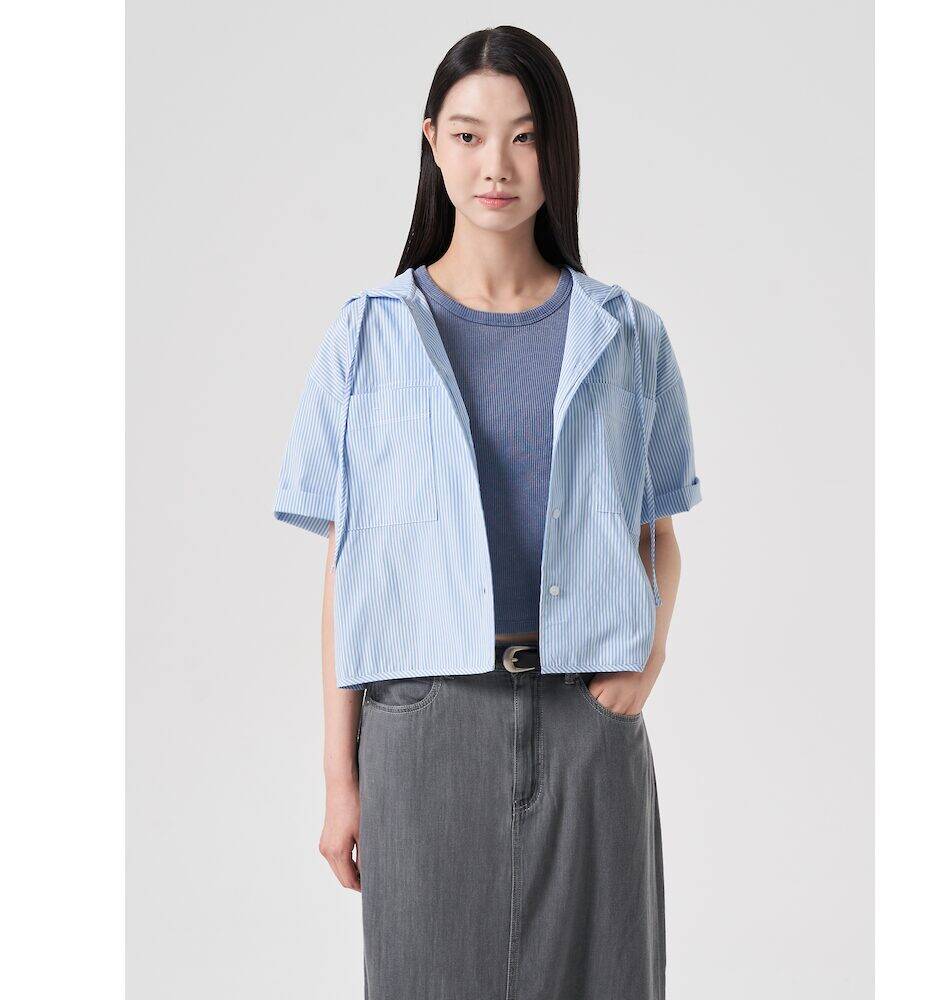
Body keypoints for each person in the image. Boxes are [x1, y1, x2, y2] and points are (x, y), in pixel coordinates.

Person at [273, 24, 702, 1000]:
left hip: (587, 717)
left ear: (559, 147)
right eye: (468, 136)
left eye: (524, 135)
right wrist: (340, 779)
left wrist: (646, 658)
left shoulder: (627, 334)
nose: (495, 165)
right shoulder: (367, 338)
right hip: (423, 721)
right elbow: (347, 569)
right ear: (432, 142)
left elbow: (658, 536)